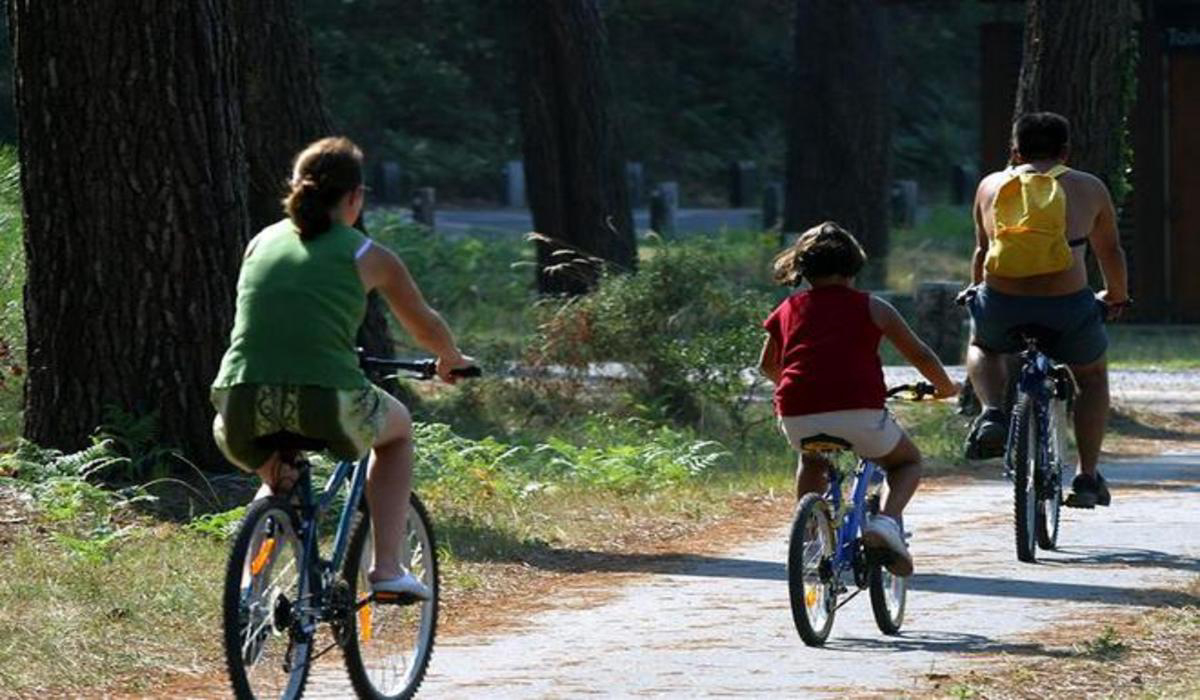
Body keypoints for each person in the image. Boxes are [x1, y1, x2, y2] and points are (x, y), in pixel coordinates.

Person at [211, 137, 472, 599]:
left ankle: (250, 587)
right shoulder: (366, 254)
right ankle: (388, 568)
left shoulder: (259, 243)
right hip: (325, 399)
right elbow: (425, 326)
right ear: (355, 197)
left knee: (279, 476)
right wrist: (452, 360)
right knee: (399, 432)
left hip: (238, 403)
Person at [759, 222, 959, 576]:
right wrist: (946, 388)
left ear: (803, 269)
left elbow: (767, 366)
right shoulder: (873, 307)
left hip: (796, 414)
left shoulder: (788, 309)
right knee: (905, 462)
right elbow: (921, 355)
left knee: (813, 461)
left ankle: (809, 536)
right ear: (854, 266)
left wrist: (798, 388)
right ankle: (887, 521)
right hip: (860, 414)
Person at [962, 112, 1130, 508]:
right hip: (1067, 306)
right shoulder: (1089, 188)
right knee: (1091, 378)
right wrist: (1117, 296)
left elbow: (983, 252)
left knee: (982, 346)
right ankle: (1087, 476)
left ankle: (990, 412)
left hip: (1002, 304)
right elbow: (1110, 251)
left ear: (1015, 150)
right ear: (1066, 151)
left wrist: (975, 288)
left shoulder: (990, 186)